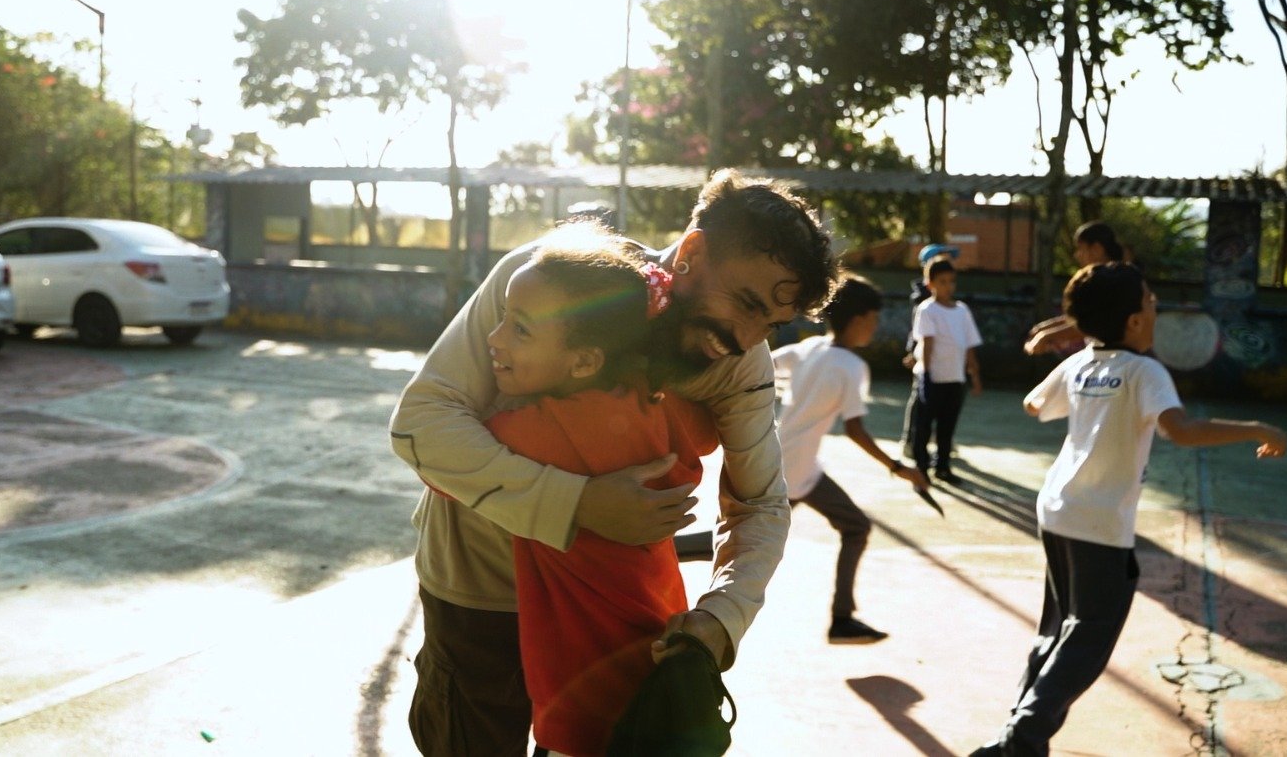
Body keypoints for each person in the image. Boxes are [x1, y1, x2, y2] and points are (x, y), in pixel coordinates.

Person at [389, 169, 836, 757]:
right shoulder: (551, 277)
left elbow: (760, 504)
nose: (748, 338)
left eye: (770, 325)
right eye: (746, 304)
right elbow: (424, 424)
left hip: (608, 624)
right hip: (482, 596)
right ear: (693, 252)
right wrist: (578, 505)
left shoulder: (739, 363)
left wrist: (721, 618)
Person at [972, 262, 1287, 757]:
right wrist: (1256, 428)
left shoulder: (1082, 363)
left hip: (1057, 510)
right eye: (1150, 300)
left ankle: (1022, 736)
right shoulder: (1145, 371)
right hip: (1097, 522)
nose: (1155, 306)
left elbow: (1034, 405)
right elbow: (1181, 430)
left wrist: (1081, 378)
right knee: (1088, 638)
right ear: (1135, 321)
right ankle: (1020, 741)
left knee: (1057, 630)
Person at [470, 223, 717, 756]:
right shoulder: (656, 402)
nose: (495, 339)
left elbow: (444, 468)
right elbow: (705, 434)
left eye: (520, 330)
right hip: (661, 664)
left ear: (584, 360)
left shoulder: (537, 430)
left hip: (584, 701)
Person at [772, 274, 930, 645]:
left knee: (736, 536)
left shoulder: (809, 349)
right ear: (859, 320)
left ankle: (843, 619)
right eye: (873, 320)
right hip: (794, 472)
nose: (874, 328)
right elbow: (856, 430)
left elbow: (762, 363)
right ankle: (841, 620)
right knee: (854, 529)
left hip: (784, 462)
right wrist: (899, 468)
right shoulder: (853, 368)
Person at [903, 255, 983, 484]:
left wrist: (974, 375)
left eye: (951, 281)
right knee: (924, 426)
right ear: (930, 284)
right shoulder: (927, 310)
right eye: (942, 282)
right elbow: (927, 344)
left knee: (947, 427)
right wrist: (926, 375)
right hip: (931, 379)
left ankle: (943, 467)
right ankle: (921, 468)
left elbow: (968, 346)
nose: (948, 286)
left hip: (955, 380)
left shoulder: (962, 311)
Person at [1022, 221, 1124, 356]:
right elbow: (1083, 318)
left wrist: (1046, 336)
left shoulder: (1116, 279)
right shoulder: (1100, 278)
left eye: (1081, 248)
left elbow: (1093, 325)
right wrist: (1042, 329)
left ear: (1097, 248)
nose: (1077, 255)